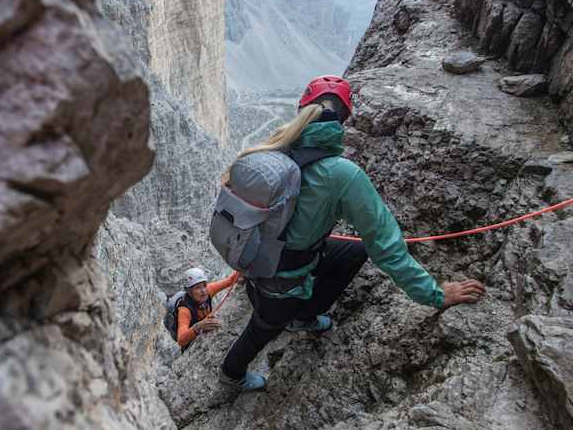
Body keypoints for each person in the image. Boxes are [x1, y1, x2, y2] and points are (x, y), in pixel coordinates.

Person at [217, 75, 486, 393]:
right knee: (262, 329)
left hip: (256, 259)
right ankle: (231, 373)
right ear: (343, 119)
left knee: (354, 251)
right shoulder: (343, 174)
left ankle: (303, 315)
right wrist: (435, 294)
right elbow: (386, 245)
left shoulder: (273, 149)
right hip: (279, 289)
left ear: (302, 109)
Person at [177, 267, 242, 350]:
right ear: (189, 291)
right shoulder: (184, 310)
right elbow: (181, 340)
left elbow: (230, 280)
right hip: (191, 344)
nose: (203, 291)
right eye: (197, 287)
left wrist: (243, 267)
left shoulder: (208, 290)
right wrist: (197, 327)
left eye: (204, 285)